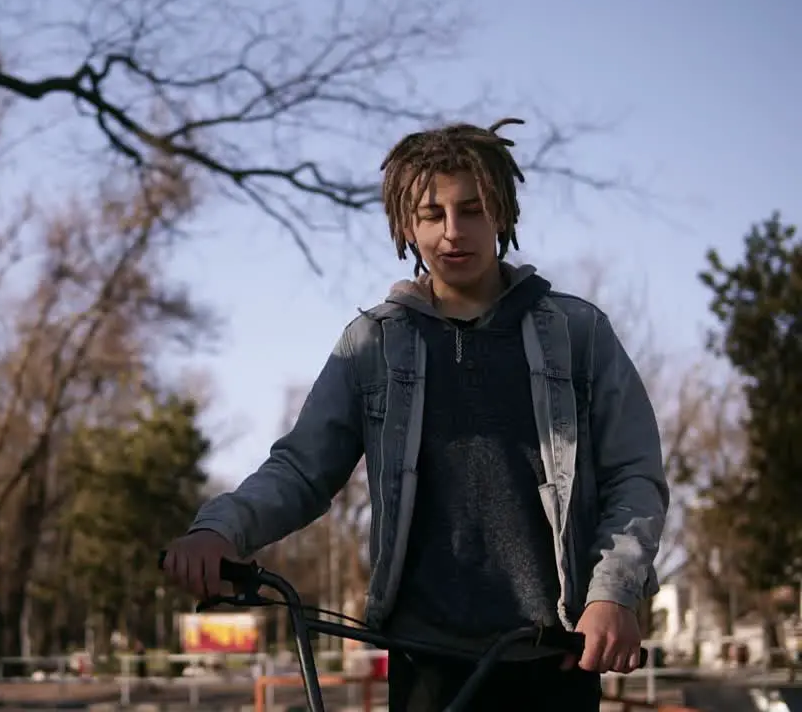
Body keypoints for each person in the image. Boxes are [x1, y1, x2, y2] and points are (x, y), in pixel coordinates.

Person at [161, 118, 669, 711]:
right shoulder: (373, 343)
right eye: (432, 214)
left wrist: (612, 592)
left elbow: (635, 475)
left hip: (550, 656)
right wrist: (220, 528)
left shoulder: (577, 334)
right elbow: (302, 468)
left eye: (473, 209)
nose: (453, 232)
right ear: (407, 225)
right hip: (423, 661)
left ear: (502, 213)